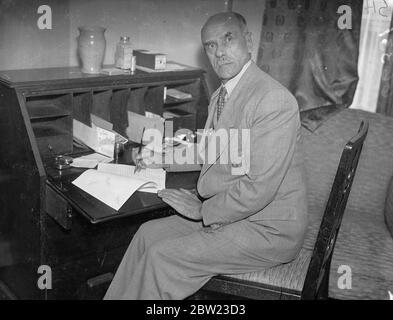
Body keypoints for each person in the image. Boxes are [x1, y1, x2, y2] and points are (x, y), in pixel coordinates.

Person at [104, 11, 308, 300]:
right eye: (211, 46)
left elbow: (259, 187)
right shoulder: (223, 94)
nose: (220, 52)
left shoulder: (272, 100)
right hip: (238, 214)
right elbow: (209, 151)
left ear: (248, 40)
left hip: (267, 229)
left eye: (228, 39)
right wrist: (157, 157)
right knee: (147, 234)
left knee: (162, 257)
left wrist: (203, 211)